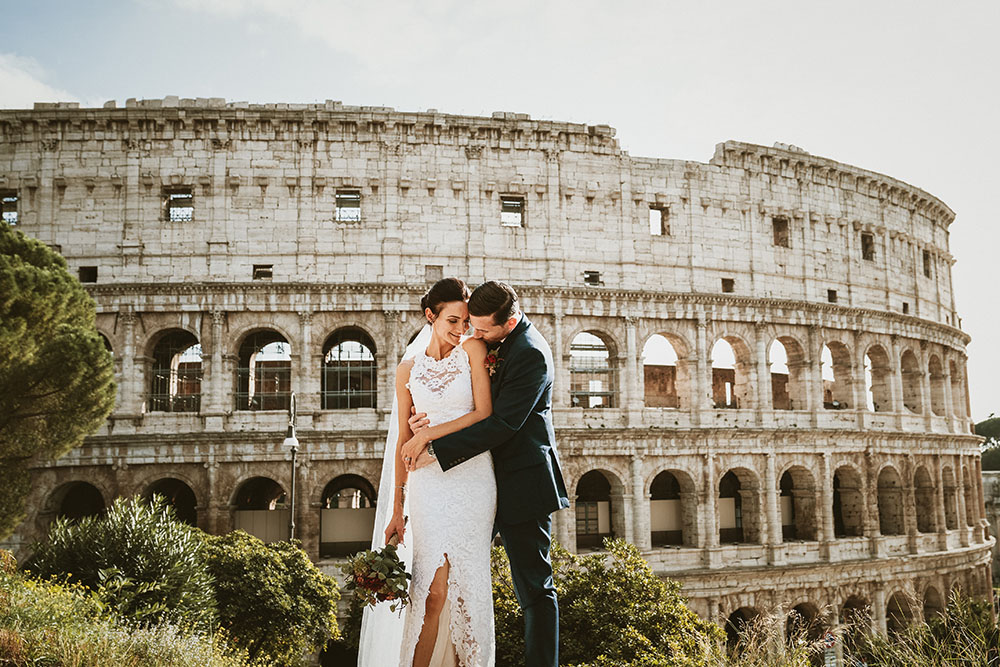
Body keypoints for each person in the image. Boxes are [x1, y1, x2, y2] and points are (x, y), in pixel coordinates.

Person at [402, 280, 570, 667]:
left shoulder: (531, 354)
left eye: (482, 330)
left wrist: (435, 448)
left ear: (509, 322)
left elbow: (504, 424)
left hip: (523, 484)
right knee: (452, 577)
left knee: (533, 589)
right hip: (483, 480)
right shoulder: (497, 341)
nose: (473, 335)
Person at [359, 277, 497, 667]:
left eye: (465, 322)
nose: (460, 330)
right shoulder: (407, 370)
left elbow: (483, 413)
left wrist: (430, 435)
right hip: (426, 484)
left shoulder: (472, 350)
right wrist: (395, 508)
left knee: (465, 587)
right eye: (452, 321)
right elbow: (404, 441)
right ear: (430, 316)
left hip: (472, 477)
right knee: (431, 593)